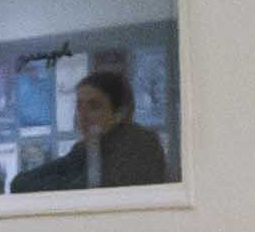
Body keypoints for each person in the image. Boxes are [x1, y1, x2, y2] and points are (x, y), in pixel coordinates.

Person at [9, 65, 173, 193]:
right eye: (79, 106)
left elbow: (95, 191)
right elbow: (20, 183)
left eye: (94, 106)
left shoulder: (140, 144)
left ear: (119, 113)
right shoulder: (83, 148)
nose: (83, 116)